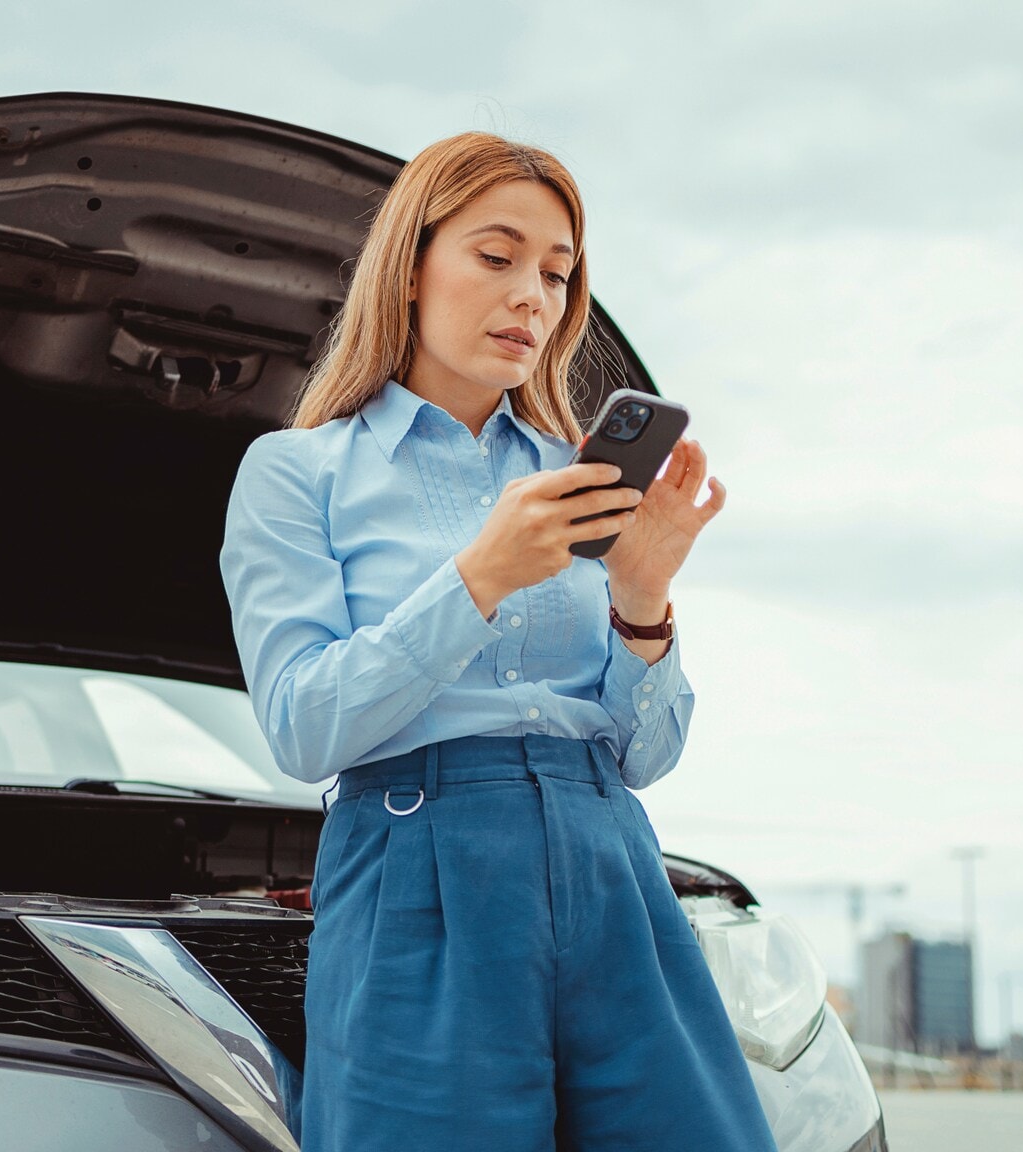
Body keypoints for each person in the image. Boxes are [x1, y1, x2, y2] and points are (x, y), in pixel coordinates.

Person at [220, 131, 772, 1152]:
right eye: (496, 255)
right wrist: (476, 578)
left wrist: (641, 600)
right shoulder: (295, 473)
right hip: (415, 869)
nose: (532, 295)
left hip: (612, 863)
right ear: (410, 262)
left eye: (557, 274)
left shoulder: (581, 477)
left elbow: (643, 757)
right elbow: (301, 729)